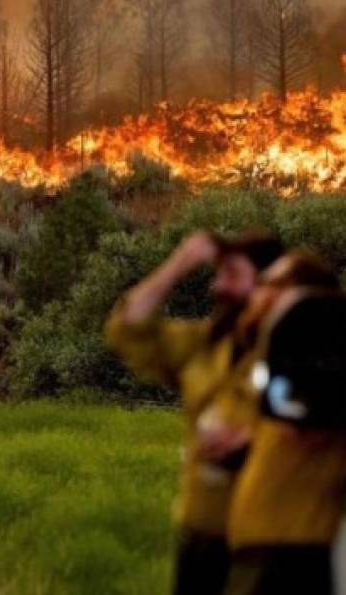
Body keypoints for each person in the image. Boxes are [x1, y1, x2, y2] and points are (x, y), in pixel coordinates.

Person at [222, 251, 346, 595]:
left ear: (305, 295)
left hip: (292, 549)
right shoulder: (272, 363)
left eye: (272, 283)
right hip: (255, 545)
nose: (258, 291)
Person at [104, 230, 283, 595]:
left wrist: (251, 441)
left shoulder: (293, 349)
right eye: (216, 275)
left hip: (264, 542)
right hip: (201, 536)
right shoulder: (204, 344)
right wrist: (181, 262)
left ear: (266, 284)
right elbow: (127, 330)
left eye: (231, 274)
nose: (217, 286)